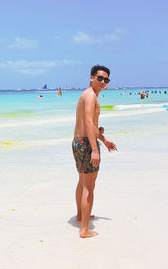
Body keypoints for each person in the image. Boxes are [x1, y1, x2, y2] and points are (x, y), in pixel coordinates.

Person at [72, 65, 117, 238]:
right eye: (100, 78)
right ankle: (84, 230)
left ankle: (80, 215)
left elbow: (89, 125)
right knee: (89, 187)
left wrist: (104, 141)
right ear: (91, 78)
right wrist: (94, 150)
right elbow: (90, 124)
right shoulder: (90, 96)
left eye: (106, 80)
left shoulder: (87, 95)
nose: (103, 82)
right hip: (86, 144)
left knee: (83, 182)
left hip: (79, 142)